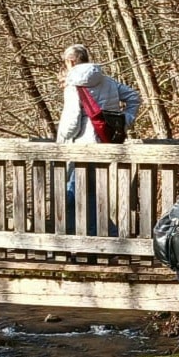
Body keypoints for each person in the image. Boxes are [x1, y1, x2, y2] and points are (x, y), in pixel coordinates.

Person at [55, 46, 142, 234]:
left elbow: (71, 124)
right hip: (104, 143)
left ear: (70, 62)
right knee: (92, 193)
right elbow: (134, 97)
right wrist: (124, 121)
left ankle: (88, 239)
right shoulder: (107, 81)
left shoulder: (73, 85)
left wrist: (60, 141)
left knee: (72, 195)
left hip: (81, 148)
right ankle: (102, 235)